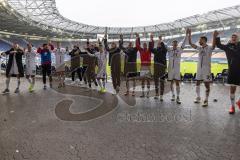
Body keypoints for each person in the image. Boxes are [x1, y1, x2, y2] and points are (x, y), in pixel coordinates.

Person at [188, 28, 216, 107]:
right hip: (199, 69)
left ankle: (206, 100)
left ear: (204, 40)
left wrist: (214, 36)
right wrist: (189, 34)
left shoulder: (209, 48)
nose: (199, 41)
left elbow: (214, 46)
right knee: (197, 83)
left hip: (206, 69)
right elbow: (190, 43)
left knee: (207, 84)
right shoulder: (199, 48)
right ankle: (198, 97)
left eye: (200, 40)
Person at [214, 31, 240, 114]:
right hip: (232, 71)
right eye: (232, 36)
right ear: (231, 39)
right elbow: (218, 45)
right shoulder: (228, 47)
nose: (233, 37)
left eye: (235, 36)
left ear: (238, 38)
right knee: (232, 89)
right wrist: (216, 36)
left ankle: (238, 102)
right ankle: (232, 107)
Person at [165, 30, 188, 104]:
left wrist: (186, 35)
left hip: (177, 70)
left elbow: (184, 44)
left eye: (175, 44)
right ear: (172, 44)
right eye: (173, 44)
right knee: (171, 83)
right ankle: (173, 95)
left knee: (177, 83)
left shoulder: (180, 50)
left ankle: (178, 96)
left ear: (177, 44)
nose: (174, 45)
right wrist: (160, 39)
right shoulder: (169, 49)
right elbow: (164, 45)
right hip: (170, 69)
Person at [149, 35, 167, 101]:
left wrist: (160, 40)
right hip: (156, 67)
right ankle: (156, 94)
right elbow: (150, 49)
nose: (159, 44)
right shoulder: (155, 50)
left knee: (162, 81)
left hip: (162, 67)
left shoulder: (164, 50)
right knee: (156, 81)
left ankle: (161, 95)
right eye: (158, 43)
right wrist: (151, 39)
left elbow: (164, 48)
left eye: (160, 43)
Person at [136, 33, 154, 98]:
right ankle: (143, 93)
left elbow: (151, 45)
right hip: (143, 67)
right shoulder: (141, 50)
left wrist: (151, 39)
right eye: (144, 45)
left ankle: (148, 94)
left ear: (147, 46)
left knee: (148, 80)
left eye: (145, 45)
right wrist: (137, 38)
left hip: (148, 67)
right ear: (143, 46)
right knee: (143, 80)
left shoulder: (149, 50)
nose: (145, 46)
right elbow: (137, 45)